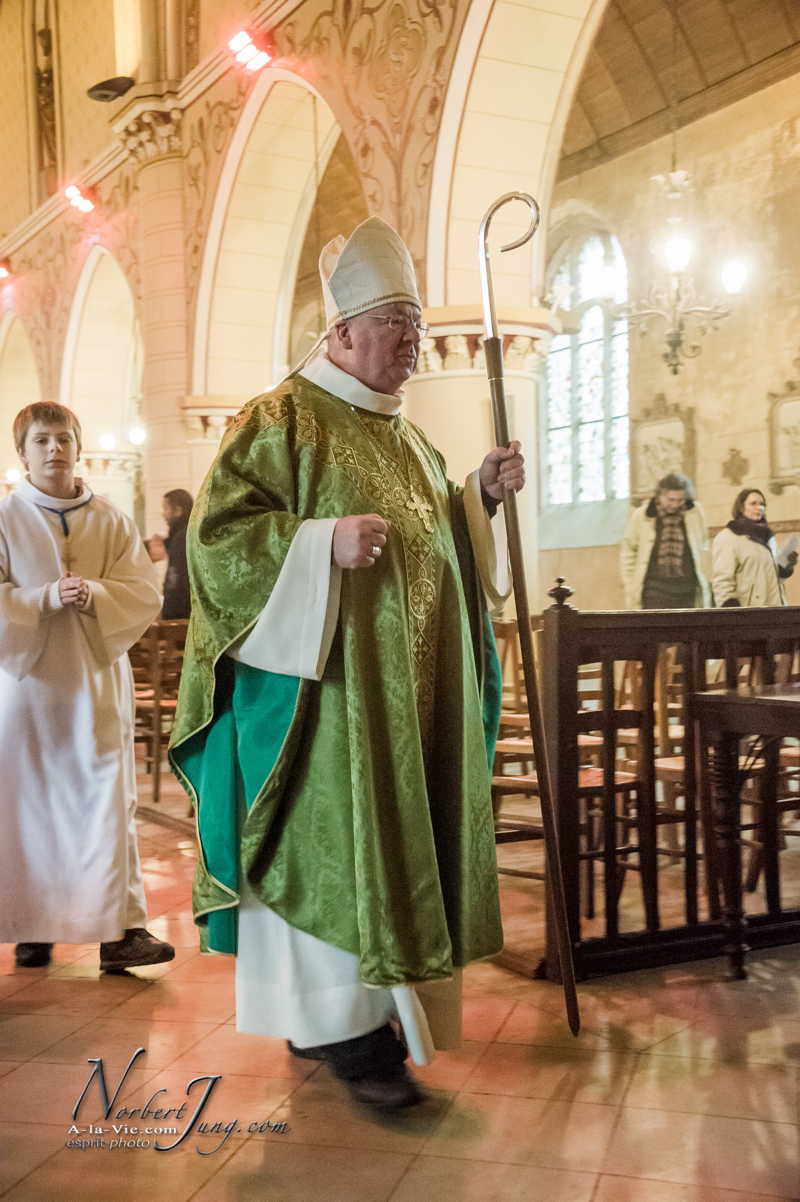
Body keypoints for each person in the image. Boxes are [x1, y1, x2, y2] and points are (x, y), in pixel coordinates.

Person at [170, 217, 523, 1110]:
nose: (413, 341)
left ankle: (348, 1019)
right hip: (324, 708)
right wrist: (318, 543)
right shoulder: (280, 419)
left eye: (417, 324)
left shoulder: (409, 439)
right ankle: (345, 1031)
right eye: (395, 323)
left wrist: (477, 498)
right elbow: (217, 543)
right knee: (331, 852)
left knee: (390, 852)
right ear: (341, 332)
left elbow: (433, 541)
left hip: (404, 705)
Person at [0, 401, 175, 972]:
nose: (54, 449)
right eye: (41, 440)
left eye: (63, 438)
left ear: (78, 447)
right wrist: (44, 597)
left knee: (106, 802)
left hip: (96, 679)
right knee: (29, 806)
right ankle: (32, 928)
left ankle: (120, 933)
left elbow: (143, 591)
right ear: (22, 452)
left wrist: (96, 594)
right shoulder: (6, 518)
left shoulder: (111, 519)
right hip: (28, 687)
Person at [620, 471, 711, 609]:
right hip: (654, 590)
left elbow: (704, 545)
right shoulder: (641, 516)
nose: (675, 505)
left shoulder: (695, 512)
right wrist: (630, 585)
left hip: (687, 589)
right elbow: (629, 551)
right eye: (671, 500)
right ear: (660, 495)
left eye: (680, 500)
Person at [712, 487, 797, 607]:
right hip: (750, 611)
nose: (759, 507)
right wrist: (734, 613)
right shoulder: (728, 537)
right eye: (753, 503)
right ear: (741, 507)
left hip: (776, 608)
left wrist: (786, 565)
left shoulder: (768, 536)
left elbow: (773, 578)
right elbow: (722, 583)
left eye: (762, 504)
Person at [161, 488, 193, 619]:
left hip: (180, 617)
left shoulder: (181, 539)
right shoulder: (189, 534)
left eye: (166, 509)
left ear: (178, 511)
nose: (163, 514)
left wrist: (168, 617)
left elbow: (176, 581)